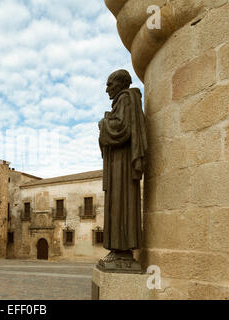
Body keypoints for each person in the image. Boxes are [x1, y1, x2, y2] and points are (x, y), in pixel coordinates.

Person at [98, 69, 147, 270]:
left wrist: (104, 123)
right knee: (116, 203)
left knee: (121, 202)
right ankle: (118, 250)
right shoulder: (123, 101)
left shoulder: (126, 99)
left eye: (110, 84)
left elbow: (123, 128)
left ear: (120, 84)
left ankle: (123, 250)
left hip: (122, 165)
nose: (107, 89)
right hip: (118, 163)